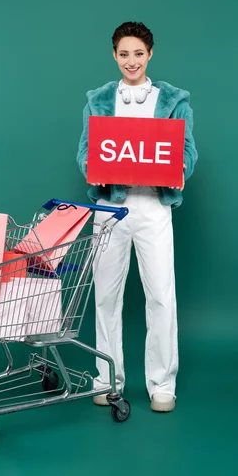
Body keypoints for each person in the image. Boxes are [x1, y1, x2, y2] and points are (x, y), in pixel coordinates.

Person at [76, 21, 198, 412]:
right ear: (114, 55)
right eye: (124, 54)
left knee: (161, 295)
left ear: (150, 54)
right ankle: (106, 378)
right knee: (106, 297)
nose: (132, 61)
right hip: (110, 209)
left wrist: (177, 169)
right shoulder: (98, 100)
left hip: (153, 207)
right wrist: (91, 166)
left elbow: (188, 153)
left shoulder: (173, 100)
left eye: (139, 53)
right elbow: (84, 151)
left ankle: (163, 383)